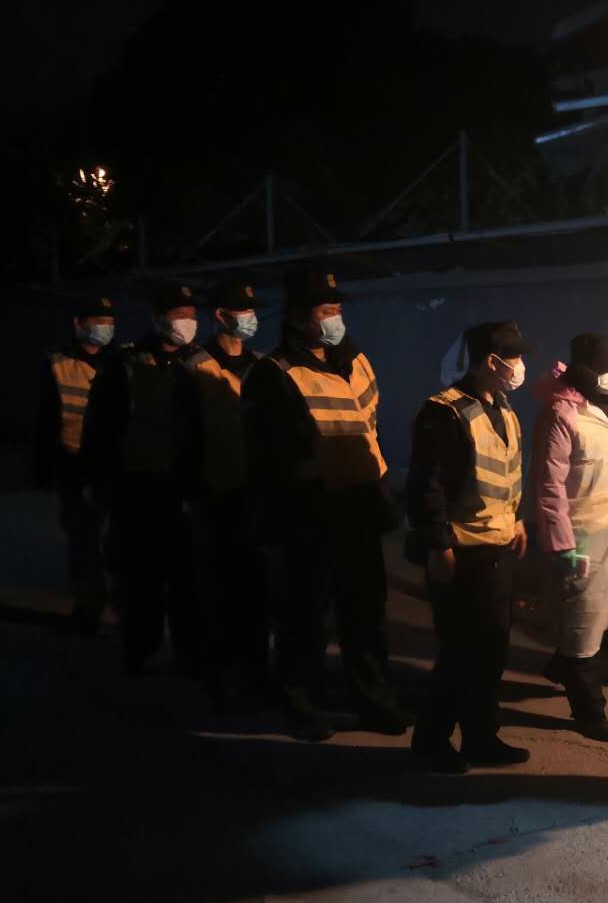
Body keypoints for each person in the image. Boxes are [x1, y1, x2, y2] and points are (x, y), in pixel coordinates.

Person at [241, 267, 410, 742]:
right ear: (299, 316)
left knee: (366, 615)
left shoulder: (356, 360)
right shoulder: (274, 373)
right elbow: (265, 457)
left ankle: (375, 703)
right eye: (325, 310)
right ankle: (302, 705)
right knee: (305, 618)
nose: (335, 318)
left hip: (360, 506)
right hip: (308, 513)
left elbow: (370, 427)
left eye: (338, 308)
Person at [407, 321, 533, 773]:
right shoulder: (445, 412)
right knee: (460, 653)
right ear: (491, 362)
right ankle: (432, 740)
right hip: (462, 551)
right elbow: (428, 486)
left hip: (497, 547)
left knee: (491, 651)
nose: (521, 366)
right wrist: (438, 545)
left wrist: (517, 518)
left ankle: (481, 737)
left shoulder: (502, 407)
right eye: (514, 358)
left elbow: (508, 471)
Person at [82, 282, 204, 674]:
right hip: (138, 488)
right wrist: (102, 484)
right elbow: (100, 428)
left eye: (191, 315)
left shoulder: (201, 363)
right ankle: (139, 649)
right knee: (140, 576)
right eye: (178, 315)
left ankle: (188, 654)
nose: (186, 322)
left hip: (184, 487)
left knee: (187, 579)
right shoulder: (126, 364)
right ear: (158, 318)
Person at [531, 334, 608, 742]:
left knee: (602, 613)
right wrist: (562, 543)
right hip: (583, 536)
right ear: (584, 371)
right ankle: (589, 709)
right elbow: (549, 486)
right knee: (583, 620)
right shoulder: (561, 414)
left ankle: (562, 665)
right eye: (605, 370)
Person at [183, 280, 270, 713]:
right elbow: (184, 435)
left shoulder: (262, 366)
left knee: (256, 592)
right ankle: (218, 676)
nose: (250, 318)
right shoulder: (194, 367)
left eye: (252, 310)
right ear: (220, 316)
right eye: (242, 310)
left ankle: (255, 675)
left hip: (255, 495)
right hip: (215, 495)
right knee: (217, 590)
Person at [34, 295, 117, 636]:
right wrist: (43, 467)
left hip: (115, 465)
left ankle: (122, 604)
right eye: (98, 321)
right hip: (75, 463)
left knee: (118, 540)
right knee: (83, 539)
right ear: (79, 324)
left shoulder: (120, 361)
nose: (105, 328)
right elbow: (44, 419)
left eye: (109, 322)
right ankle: (88, 607)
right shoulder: (57, 362)